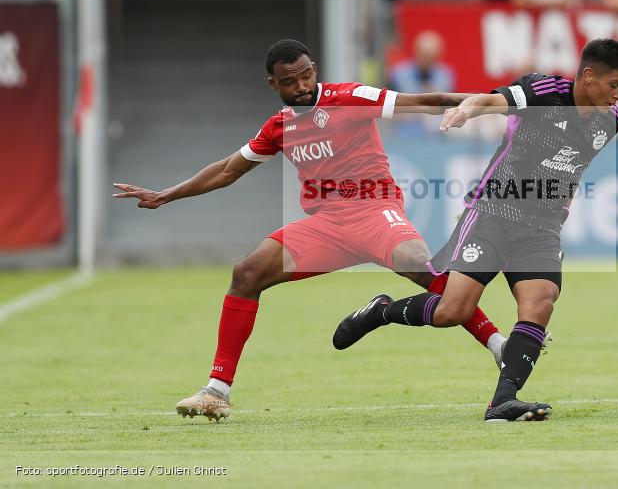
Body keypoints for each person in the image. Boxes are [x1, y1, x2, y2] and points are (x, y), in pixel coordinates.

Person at [112, 40, 507, 421]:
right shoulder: (279, 126)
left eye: (305, 75)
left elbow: (428, 101)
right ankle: (217, 391)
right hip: (327, 226)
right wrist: (167, 194)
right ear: (273, 84)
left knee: (417, 263)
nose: (300, 86)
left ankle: (497, 344)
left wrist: (501, 103)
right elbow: (228, 169)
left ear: (314, 69)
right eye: (289, 81)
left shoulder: (349, 98)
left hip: (374, 210)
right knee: (247, 273)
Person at [333, 39, 618, 422]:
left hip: (541, 228)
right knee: (451, 311)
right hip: (493, 211)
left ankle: (502, 401)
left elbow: (574, 170)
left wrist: (563, 208)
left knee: (541, 301)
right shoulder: (545, 91)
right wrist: (465, 111)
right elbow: (492, 101)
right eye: (615, 84)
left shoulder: (608, 123)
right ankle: (380, 312)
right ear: (588, 76)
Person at [388, 31, 455, 95]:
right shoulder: (399, 73)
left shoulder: (445, 75)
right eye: (424, 55)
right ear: (416, 52)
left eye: (431, 57)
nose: (427, 61)